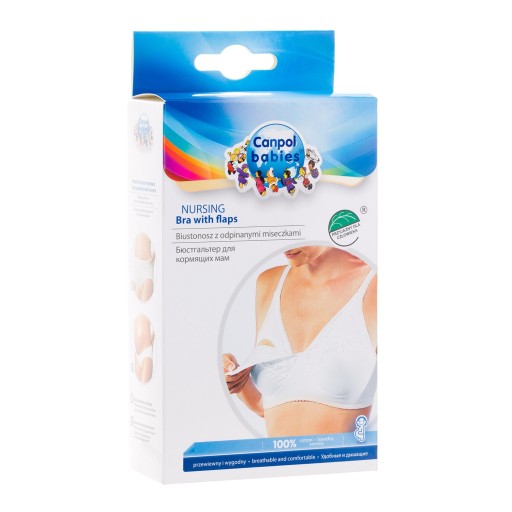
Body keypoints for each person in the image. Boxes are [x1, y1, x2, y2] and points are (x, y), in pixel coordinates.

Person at [223, 246, 377, 437]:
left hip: (345, 456)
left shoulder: (375, 286)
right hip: (275, 456)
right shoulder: (269, 282)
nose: (286, 244)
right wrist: (237, 380)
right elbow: (265, 407)